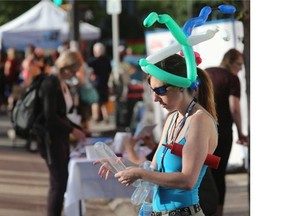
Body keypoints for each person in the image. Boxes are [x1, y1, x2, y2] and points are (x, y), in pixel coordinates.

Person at [97, 54, 218, 216]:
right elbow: (153, 169)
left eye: (160, 90)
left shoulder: (199, 121)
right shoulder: (173, 118)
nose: (155, 98)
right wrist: (122, 164)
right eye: (152, 90)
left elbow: (187, 180)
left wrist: (139, 173)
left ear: (180, 85)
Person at [34, 50, 86, 216]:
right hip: (50, 139)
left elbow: (60, 114)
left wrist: (76, 129)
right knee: (58, 183)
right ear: (67, 68)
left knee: (60, 182)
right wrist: (72, 129)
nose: (76, 74)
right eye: (75, 70)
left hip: (58, 139)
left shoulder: (60, 82)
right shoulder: (51, 82)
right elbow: (50, 116)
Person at [205, 48, 248, 216]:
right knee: (219, 172)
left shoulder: (207, 72)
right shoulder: (232, 78)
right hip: (222, 133)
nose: (241, 68)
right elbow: (235, 108)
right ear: (230, 61)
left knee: (203, 172)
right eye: (239, 64)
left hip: (203, 130)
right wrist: (241, 132)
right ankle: (218, 211)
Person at [87, 42, 112, 123]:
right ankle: (106, 117)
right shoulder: (107, 60)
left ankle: (96, 117)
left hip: (96, 84)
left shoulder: (92, 61)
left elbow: (87, 70)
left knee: (95, 101)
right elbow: (109, 71)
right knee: (104, 102)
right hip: (104, 83)